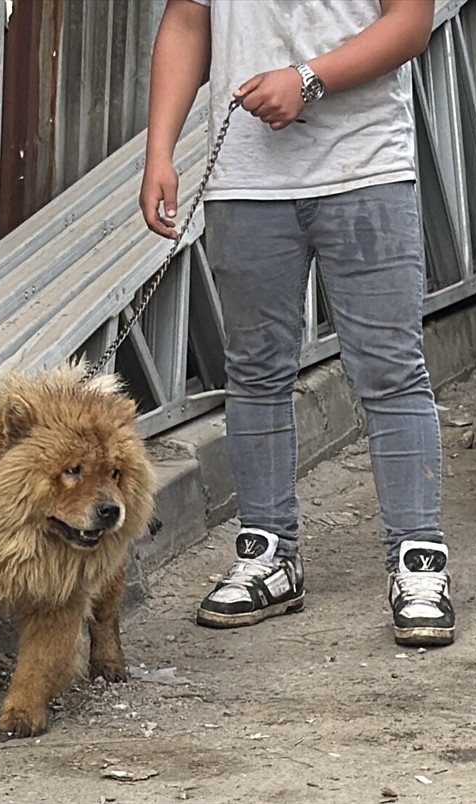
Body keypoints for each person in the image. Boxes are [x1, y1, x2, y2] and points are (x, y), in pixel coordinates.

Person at [139, 0, 454, 647]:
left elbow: (410, 22)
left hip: (365, 168)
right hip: (247, 181)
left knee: (391, 370)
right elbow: (187, 21)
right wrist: (159, 150)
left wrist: (309, 78)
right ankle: (268, 555)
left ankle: (418, 559)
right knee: (254, 372)